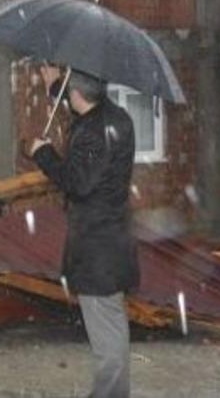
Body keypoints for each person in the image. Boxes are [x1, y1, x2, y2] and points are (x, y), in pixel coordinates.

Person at [29, 66, 138, 398]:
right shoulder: (116, 116)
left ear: (77, 94)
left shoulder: (94, 132)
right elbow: (84, 109)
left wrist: (43, 154)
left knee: (106, 331)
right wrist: (55, 88)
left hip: (96, 247)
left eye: (68, 91)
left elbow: (78, 183)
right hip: (112, 236)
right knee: (110, 322)